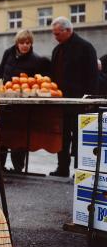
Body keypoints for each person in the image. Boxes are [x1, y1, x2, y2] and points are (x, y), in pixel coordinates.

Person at [49, 16, 98, 177]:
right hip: (61, 102)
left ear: (68, 30)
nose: (55, 37)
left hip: (79, 102)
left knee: (79, 138)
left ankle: (80, 170)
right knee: (62, 137)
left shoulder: (85, 47)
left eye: (57, 34)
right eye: (54, 34)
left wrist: (89, 100)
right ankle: (62, 168)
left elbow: (92, 76)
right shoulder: (57, 50)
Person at [0, 29, 44, 173]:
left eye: (28, 43)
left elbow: (36, 82)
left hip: (22, 103)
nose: (25, 46)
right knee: (1, 133)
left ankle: (18, 167)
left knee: (19, 135)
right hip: (5, 99)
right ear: (17, 43)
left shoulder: (35, 60)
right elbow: (0, 72)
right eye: (22, 43)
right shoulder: (8, 53)